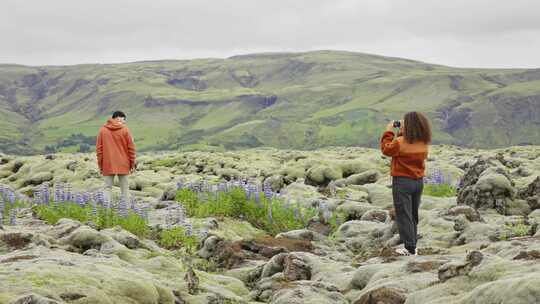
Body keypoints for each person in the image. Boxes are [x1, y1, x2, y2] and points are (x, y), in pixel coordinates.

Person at [380, 112, 431, 256]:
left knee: (404, 215)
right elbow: (409, 145)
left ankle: (409, 248)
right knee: (413, 214)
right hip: (418, 182)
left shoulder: (400, 142)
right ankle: (413, 244)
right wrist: (403, 131)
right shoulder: (423, 143)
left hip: (402, 182)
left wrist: (389, 130)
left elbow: (386, 149)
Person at [96, 111, 136, 202]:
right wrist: (132, 164)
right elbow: (131, 148)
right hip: (123, 163)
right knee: (125, 189)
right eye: (123, 120)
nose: (123, 123)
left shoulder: (102, 130)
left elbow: (99, 150)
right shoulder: (125, 130)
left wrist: (100, 165)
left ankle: (106, 212)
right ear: (119, 118)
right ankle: (127, 212)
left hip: (108, 163)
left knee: (107, 188)